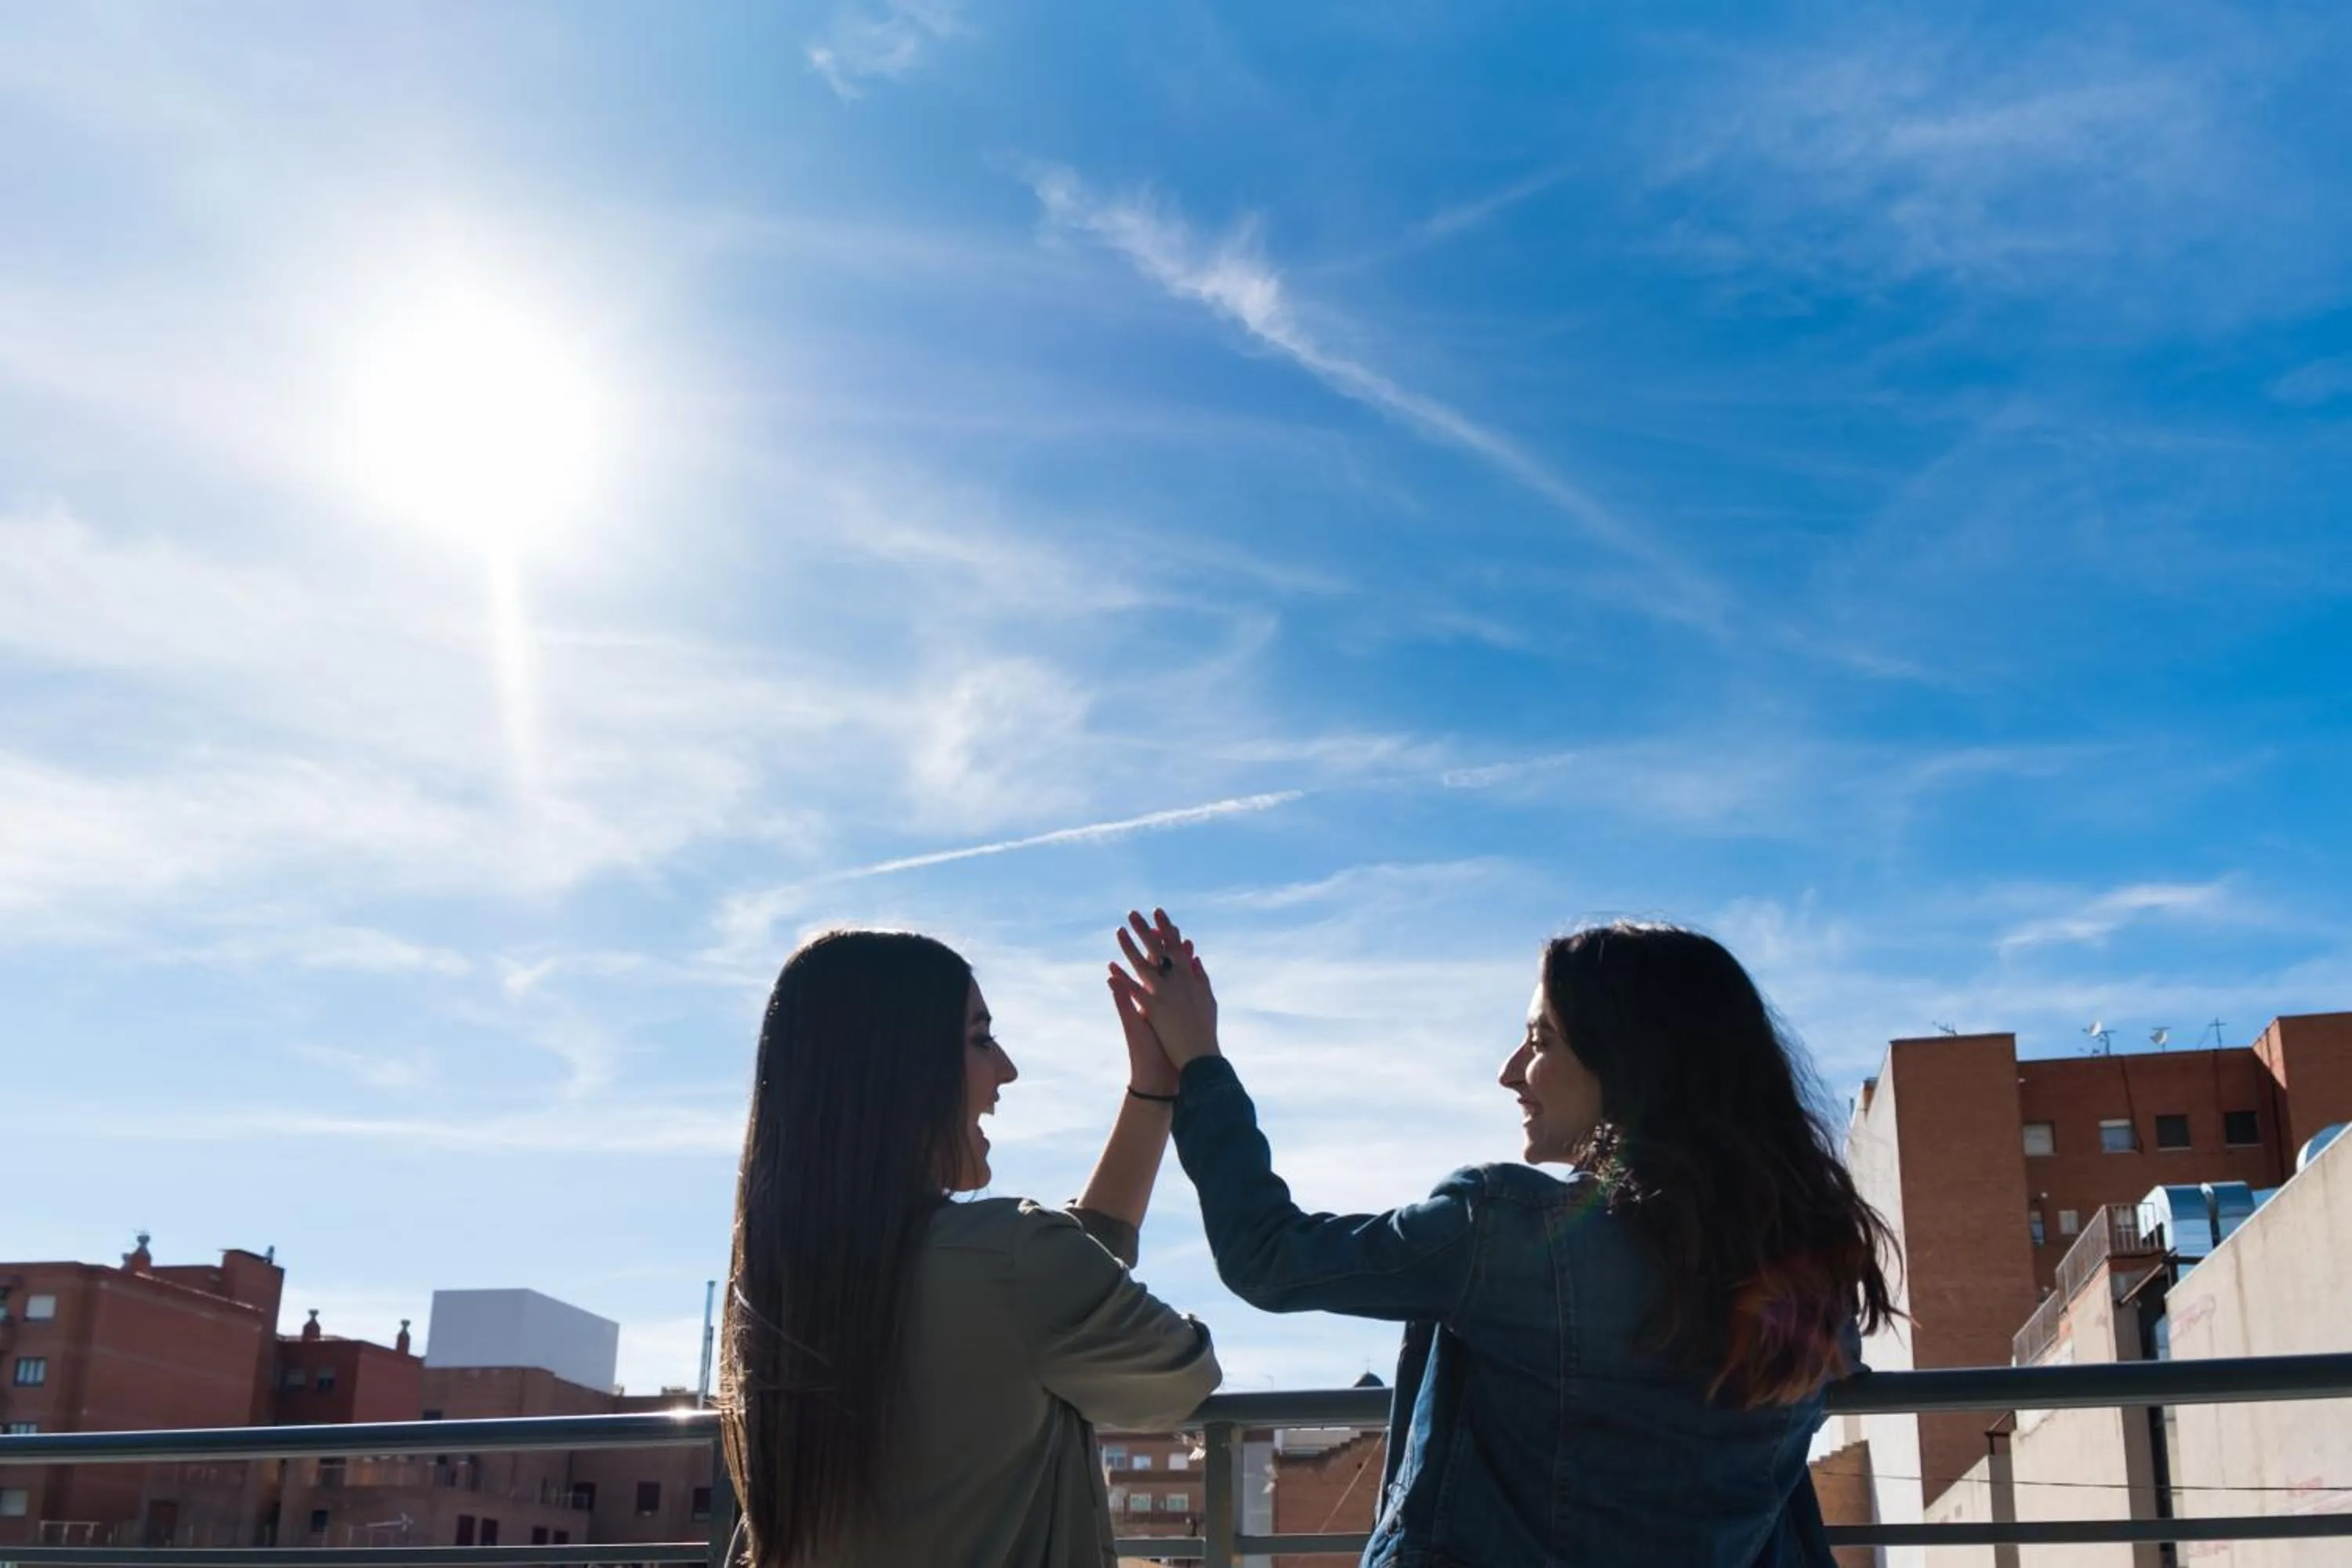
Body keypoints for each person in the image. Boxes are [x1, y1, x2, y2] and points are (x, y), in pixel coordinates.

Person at [1109, 910, 1896, 1567]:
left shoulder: (1506, 1232)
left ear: (1630, 1060)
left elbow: (1268, 1256)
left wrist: (1199, 1062)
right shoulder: (1813, 1285)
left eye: (1541, 1039)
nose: (1510, 1070)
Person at [722, 929, 1221, 1568]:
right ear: (901, 1071)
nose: (1006, 1069)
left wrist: (1151, 1092)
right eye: (981, 1039)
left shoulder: (786, 1287)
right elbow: (1181, 1374)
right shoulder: (1015, 1264)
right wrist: (1191, 1068)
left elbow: (1043, 1293)